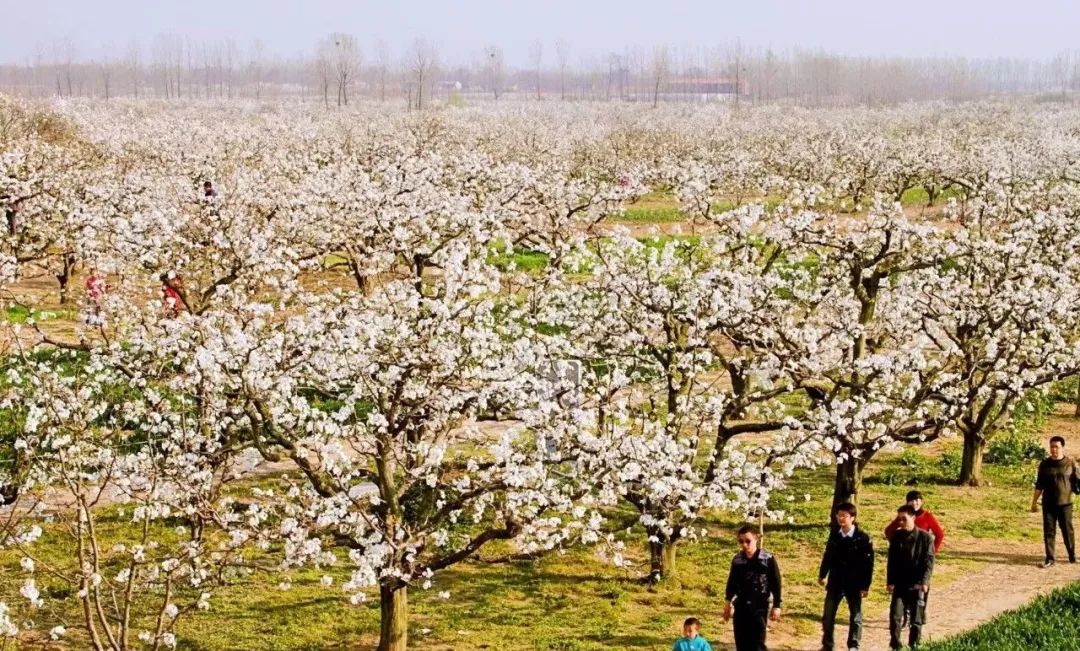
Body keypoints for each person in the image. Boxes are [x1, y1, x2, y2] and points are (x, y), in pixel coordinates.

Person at [819, 502, 874, 651]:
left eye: (844, 515)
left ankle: (854, 644)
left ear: (852, 518)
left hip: (854, 582)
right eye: (839, 515)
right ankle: (828, 644)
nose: (841, 518)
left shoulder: (862, 538)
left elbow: (868, 564)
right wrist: (823, 574)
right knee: (828, 615)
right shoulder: (835, 535)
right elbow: (828, 556)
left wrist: (865, 585)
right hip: (836, 581)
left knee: (855, 615)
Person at [723, 525, 782, 651]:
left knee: (757, 644)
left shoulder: (767, 559)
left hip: (759, 606)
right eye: (741, 541)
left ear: (756, 539)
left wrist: (777, 605)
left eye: (748, 541)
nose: (744, 544)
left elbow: (776, 582)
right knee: (741, 642)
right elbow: (732, 582)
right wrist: (727, 602)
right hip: (741, 606)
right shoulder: (737, 560)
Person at [887, 505, 935, 650]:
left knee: (916, 619)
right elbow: (892, 560)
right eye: (899, 519)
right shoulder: (897, 536)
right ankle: (895, 645)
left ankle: (914, 645)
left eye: (904, 519)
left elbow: (929, 562)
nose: (900, 522)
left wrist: (925, 582)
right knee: (895, 616)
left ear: (913, 517)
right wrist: (890, 581)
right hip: (900, 583)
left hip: (917, 583)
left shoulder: (925, 538)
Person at [1031, 435, 1078, 567]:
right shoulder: (1044, 465)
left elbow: (1077, 482)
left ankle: (1072, 556)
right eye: (1051, 447)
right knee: (1049, 531)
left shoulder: (1070, 463)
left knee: (1068, 531)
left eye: (1056, 447)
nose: (1053, 450)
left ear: (1062, 447)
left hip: (1065, 504)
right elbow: (1039, 485)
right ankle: (1050, 558)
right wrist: (1034, 502)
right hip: (1048, 504)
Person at [885, 490, 945, 554]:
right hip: (906, 550)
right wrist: (896, 545)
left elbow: (940, 534)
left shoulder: (927, 516)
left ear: (921, 502)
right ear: (907, 502)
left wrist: (932, 552)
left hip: (920, 550)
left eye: (917, 500)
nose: (914, 503)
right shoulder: (904, 515)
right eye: (911, 500)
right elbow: (889, 531)